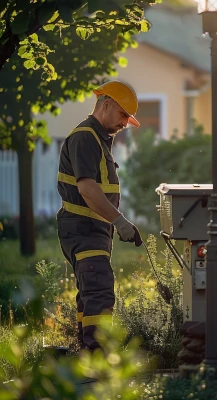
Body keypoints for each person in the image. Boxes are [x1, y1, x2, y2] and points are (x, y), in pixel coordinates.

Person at [56, 80, 142, 351]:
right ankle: (97, 359)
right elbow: (87, 189)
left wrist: (116, 221)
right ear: (106, 106)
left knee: (90, 293)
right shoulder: (86, 137)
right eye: (122, 115)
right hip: (84, 229)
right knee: (99, 292)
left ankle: (87, 355)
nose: (125, 123)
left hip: (89, 230)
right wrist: (119, 220)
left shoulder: (98, 139)